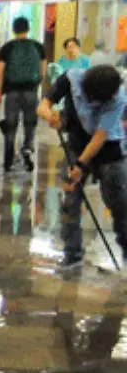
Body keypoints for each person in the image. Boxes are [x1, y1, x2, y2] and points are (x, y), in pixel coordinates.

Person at [38, 64, 127, 270]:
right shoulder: (70, 79)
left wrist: (79, 164)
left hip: (108, 151)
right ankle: (72, 252)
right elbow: (43, 104)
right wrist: (49, 115)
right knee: (70, 202)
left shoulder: (118, 97)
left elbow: (99, 137)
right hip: (76, 146)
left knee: (120, 206)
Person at [0, 17, 48, 173]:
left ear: (13, 29)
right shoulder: (38, 47)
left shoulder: (7, 47)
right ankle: (27, 146)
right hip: (31, 92)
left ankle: (8, 162)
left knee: (10, 127)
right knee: (30, 124)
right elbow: (43, 71)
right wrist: (36, 84)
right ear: (28, 29)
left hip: (11, 93)